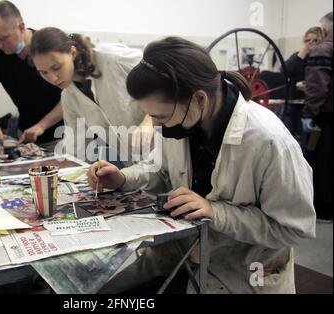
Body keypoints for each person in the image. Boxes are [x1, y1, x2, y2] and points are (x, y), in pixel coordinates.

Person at [87, 37, 316, 293]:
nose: (156, 124)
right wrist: (122, 178)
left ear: (199, 99)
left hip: (242, 269)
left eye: (160, 116)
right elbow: (162, 170)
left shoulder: (268, 142)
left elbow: (294, 229)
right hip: (184, 254)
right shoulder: (184, 121)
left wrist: (216, 212)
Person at [30, 27, 153, 164]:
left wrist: (149, 122)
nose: (53, 78)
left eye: (56, 67)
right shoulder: (69, 98)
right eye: (44, 72)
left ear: (72, 52)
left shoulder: (113, 59)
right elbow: (77, 150)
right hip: (137, 170)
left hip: (166, 151)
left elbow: (163, 82)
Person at [0, 1, 63, 144]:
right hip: (27, 137)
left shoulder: (48, 47)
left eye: (3, 38)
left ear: (21, 27)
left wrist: (41, 126)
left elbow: (70, 97)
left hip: (64, 135)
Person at [302, 12, 333, 223]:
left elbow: (317, 87)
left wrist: (309, 113)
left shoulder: (324, 49)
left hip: (325, 118)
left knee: (321, 164)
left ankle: (323, 210)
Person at [285, 27, 324, 100]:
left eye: (315, 40)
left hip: (316, 100)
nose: (310, 43)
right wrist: (300, 56)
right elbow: (284, 71)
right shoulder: (299, 55)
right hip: (295, 100)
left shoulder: (324, 57)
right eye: (308, 40)